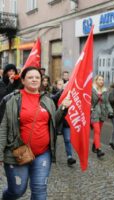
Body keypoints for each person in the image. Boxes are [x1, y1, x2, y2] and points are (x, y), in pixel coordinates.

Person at [0, 66, 70, 200]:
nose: (34, 80)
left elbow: (53, 123)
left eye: (37, 77)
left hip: (43, 153)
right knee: (17, 191)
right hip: (18, 152)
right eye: (30, 77)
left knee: (39, 189)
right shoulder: (12, 100)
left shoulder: (47, 100)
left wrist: (62, 109)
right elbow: (3, 128)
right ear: (23, 80)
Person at [91, 75, 113, 158]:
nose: (101, 81)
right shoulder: (92, 91)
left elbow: (107, 103)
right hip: (95, 113)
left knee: (99, 131)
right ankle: (98, 149)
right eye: (99, 79)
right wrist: (90, 108)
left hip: (103, 113)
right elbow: (87, 101)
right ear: (96, 81)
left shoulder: (105, 91)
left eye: (102, 80)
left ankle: (94, 144)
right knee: (97, 131)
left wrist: (110, 111)